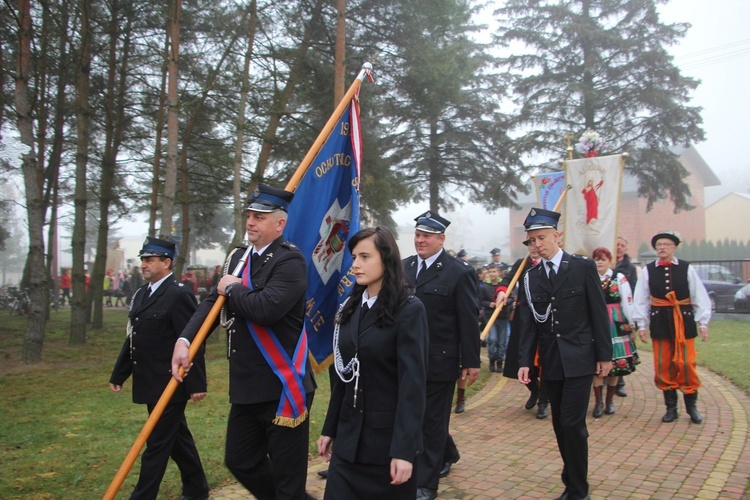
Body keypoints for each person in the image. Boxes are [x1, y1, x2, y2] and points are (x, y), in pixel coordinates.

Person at [172, 184, 316, 499]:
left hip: (282, 387)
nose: (250, 222)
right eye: (249, 215)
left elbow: (265, 309)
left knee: (288, 479)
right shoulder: (238, 257)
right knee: (240, 460)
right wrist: (186, 340)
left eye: (260, 217)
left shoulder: (290, 261)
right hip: (247, 384)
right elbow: (212, 303)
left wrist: (234, 289)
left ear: (279, 224)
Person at [317, 227, 428, 499]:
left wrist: (404, 451)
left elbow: (412, 387)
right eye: (354, 257)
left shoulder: (409, 310)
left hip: (386, 447)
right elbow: (342, 375)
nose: (355, 264)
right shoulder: (351, 308)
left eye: (365, 256)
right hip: (348, 443)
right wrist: (330, 428)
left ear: (387, 258)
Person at [518, 207, 612, 500]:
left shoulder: (581, 267)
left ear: (557, 236)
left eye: (542, 238)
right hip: (552, 360)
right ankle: (572, 477)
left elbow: (598, 312)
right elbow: (530, 323)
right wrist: (524, 361)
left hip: (581, 357)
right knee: (560, 424)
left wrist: (605, 356)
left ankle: (578, 489)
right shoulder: (531, 277)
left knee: (572, 423)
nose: (537, 244)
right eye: (532, 240)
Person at [109, 237, 209, 500]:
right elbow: (134, 338)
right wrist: (120, 373)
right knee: (177, 439)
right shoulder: (142, 294)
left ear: (167, 263)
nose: (144, 264)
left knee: (156, 443)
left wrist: (197, 383)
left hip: (170, 382)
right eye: (143, 259)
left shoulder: (179, 294)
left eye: (150, 260)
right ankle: (197, 488)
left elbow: (193, 340)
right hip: (148, 381)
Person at [402, 211, 480, 500]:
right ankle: (448, 452)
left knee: (432, 422)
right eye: (418, 235)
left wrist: (471, 361)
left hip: (439, 359)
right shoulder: (403, 267)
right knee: (414, 415)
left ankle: (425, 483)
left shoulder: (459, 272)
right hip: (405, 359)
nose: (420, 240)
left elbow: (468, 320)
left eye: (427, 236)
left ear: (441, 239)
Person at [632, 231, 710, 425]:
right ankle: (671, 408)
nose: (662, 247)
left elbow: (699, 295)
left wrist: (703, 322)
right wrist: (641, 325)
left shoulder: (686, 268)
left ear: (674, 248)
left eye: (666, 244)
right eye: (659, 244)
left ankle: (692, 406)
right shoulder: (648, 270)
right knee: (663, 364)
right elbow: (641, 299)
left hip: (683, 319)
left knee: (686, 363)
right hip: (660, 320)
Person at [499, 239, 549, 419]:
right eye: (530, 245)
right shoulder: (522, 264)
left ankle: (544, 400)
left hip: (544, 319)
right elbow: (507, 279)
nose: (533, 249)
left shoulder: (549, 264)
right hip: (523, 319)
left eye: (536, 245)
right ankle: (534, 390)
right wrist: (502, 291)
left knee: (544, 361)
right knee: (519, 359)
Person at [591, 247, 638, 418]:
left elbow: (627, 302)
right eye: (596, 259)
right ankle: (598, 402)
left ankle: (609, 401)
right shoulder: (590, 278)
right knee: (596, 364)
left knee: (616, 365)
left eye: (603, 259)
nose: (599, 263)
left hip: (615, 323)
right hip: (595, 323)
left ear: (609, 261)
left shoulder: (619, 278)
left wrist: (632, 325)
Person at [613, 236, 638, 397]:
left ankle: (619, 383)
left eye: (622, 245)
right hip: (608, 311)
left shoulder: (630, 268)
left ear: (626, 249)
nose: (619, 248)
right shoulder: (606, 263)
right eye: (617, 245)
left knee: (622, 346)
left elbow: (633, 289)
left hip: (622, 311)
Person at [481, 263, 507, 373]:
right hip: (490, 317)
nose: (492, 274)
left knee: (502, 341)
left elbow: (510, 298)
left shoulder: (503, 285)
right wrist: (488, 304)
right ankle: (492, 358)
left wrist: (504, 302)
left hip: (503, 316)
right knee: (493, 338)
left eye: (494, 271)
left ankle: (500, 361)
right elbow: (481, 300)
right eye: (490, 272)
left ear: (499, 273)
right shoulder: (485, 287)